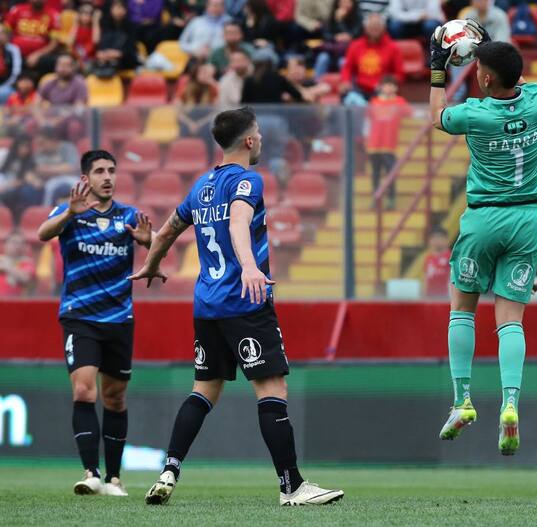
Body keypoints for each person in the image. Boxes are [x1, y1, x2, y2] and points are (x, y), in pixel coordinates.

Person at [130, 107, 344, 506]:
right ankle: (292, 487)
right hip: (244, 301)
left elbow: (167, 231)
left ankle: (169, 470)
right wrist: (248, 266)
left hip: (206, 304)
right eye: (258, 133)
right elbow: (238, 223)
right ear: (248, 140)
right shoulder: (248, 181)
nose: (260, 138)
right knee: (272, 389)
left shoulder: (201, 186)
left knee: (204, 390)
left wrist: (151, 264)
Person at [430, 29, 537, 455]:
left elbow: (437, 116)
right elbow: (517, 79)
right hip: (528, 219)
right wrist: (492, 48)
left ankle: (462, 400)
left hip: (484, 219)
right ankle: (510, 404)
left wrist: (438, 68)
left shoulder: (475, 114)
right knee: (511, 320)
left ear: (483, 79)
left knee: (462, 309)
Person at [36, 150, 154, 496]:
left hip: (119, 319)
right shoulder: (70, 212)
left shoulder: (129, 216)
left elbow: (158, 240)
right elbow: (43, 233)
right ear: (85, 178)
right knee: (84, 390)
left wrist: (149, 242)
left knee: (114, 397)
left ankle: (114, 479)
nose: (108, 177)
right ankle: (91, 473)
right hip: (80, 316)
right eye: (100, 171)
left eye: (112, 171)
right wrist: (69, 214)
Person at [451, 0, 511, 101]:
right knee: (456, 56)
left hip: (496, 52)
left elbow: (502, 41)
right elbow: (462, 39)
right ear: (472, 2)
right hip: (475, 51)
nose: (481, 2)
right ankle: (458, 96)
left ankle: (499, 95)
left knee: (503, 57)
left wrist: (483, 50)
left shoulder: (500, 15)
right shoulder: (468, 16)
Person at [366, 74, 411, 207]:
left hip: (390, 144)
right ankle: (376, 198)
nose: (389, 88)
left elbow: (410, 114)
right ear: (381, 87)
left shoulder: (400, 102)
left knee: (390, 172)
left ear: (396, 88)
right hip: (374, 144)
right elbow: (367, 121)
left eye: (391, 85)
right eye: (386, 85)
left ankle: (391, 198)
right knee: (375, 173)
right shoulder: (374, 102)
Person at [340, 12, 404, 102]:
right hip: (360, 89)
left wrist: (387, 86)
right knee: (346, 95)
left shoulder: (393, 47)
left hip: (382, 91)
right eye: (371, 26)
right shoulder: (355, 45)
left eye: (377, 26)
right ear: (365, 28)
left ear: (384, 28)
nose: (374, 29)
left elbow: (399, 74)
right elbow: (347, 67)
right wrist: (346, 81)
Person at [38, 53, 88, 140]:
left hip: (72, 119)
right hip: (52, 117)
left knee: (74, 126)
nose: (63, 68)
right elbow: (35, 104)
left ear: (73, 68)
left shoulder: (80, 83)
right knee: (31, 124)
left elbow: (78, 108)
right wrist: (41, 120)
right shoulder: (49, 83)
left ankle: (73, 147)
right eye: (60, 65)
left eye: (67, 66)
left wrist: (57, 120)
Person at [5, 0, 60, 75]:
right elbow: (4, 31)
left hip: (40, 57)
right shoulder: (17, 10)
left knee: (53, 61)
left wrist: (37, 55)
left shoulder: (53, 14)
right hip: (15, 53)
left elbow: (54, 43)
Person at [314, 0, 362, 79]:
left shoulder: (358, 16)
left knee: (343, 62)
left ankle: (347, 84)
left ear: (353, 3)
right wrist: (336, 37)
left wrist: (340, 22)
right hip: (332, 50)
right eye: (343, 1)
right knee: (322, 58)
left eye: (348, 2)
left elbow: (355, 35)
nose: (345, 4)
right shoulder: (332, 14)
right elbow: (326, 34)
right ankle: (316, 82)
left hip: (348, 52)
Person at [0, 133, 40, 222]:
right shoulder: (5, 155)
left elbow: (27, 178)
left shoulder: (29, 160)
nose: (25, 150)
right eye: (22, 146)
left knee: (23, 192)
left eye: (27, 147)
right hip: (4, 183)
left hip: (16, 187)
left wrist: (12, 184)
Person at [94, 0, 140, 76]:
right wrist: (101, 53)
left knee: (113, 63)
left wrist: (118, 53)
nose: (118, 11)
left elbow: (131, 48)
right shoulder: (106, 25)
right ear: (111, 10)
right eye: (115, 8)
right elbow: (100, 44)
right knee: (99, 63)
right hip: (107, 57)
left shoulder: (131, 26)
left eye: (121, 8)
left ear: (125, 10)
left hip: (125, 58)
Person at [0, 232, 36, 297]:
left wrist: (6, 267)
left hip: (18, 301)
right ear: (5, 244)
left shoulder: (28, 262)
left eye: (21, 243)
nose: (17, 246)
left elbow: (25, 279)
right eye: (13, 242)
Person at [423, 226, 451, 298]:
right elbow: (426, 278)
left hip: (445, 297)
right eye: (433, 238)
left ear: (446, 240)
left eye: (439, 237)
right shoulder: (428, 258)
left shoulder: (451, 257)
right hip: (430, 297)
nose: (436, 240)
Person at [0, 25, 23, 104]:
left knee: (3, 93)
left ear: (7, 36)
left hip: (7, 84)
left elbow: (16, 72)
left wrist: (7, 85)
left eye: (2, 33)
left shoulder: (13, 49)